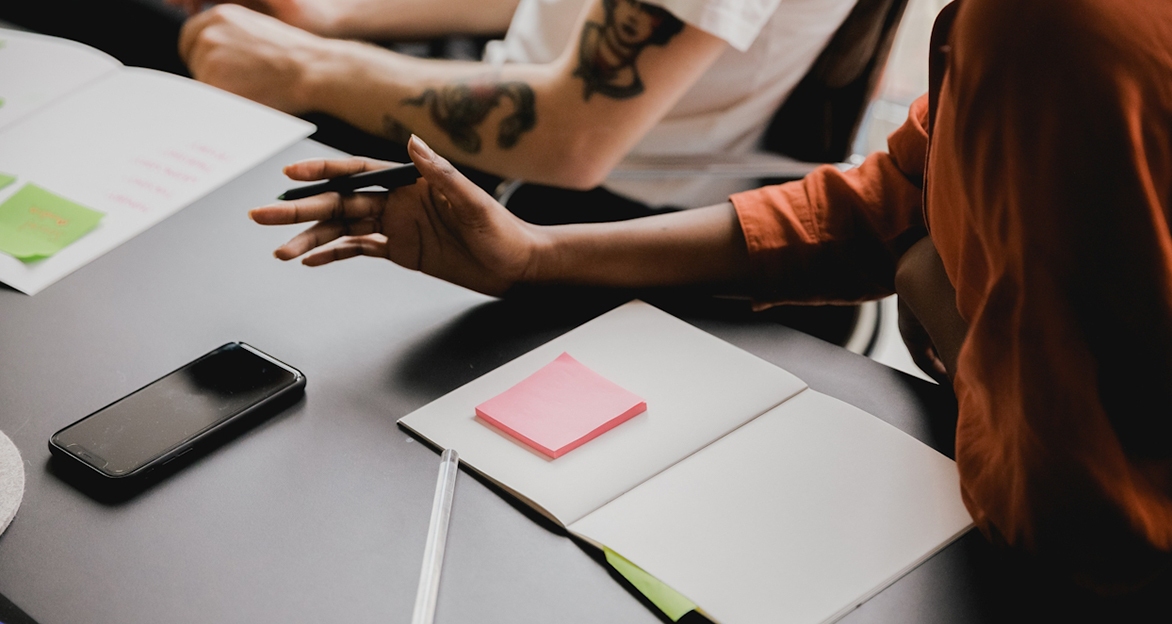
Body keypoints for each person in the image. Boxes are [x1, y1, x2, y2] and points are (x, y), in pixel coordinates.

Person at [247, 0, 1172, 596]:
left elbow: (1072, 499)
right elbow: (895, 200)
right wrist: (537, 260)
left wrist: (930, 291)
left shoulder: (1049, 30)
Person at [171, 0, 859, 214]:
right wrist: (336, 14)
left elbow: (572, 137)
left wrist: (303, 67)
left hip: (575, 201)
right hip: (524, 94)